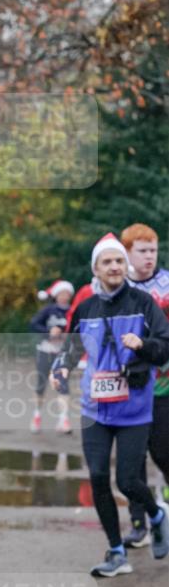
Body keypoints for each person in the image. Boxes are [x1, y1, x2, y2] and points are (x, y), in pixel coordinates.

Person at [50, 233, 169, 577]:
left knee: (129, 481)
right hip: (95, 408)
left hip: (134, 408)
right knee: (99, 476)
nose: (115, 266)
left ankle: (157, 515)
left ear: (126, 266)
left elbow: (164, 348)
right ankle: (116, 552)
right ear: (96, 269)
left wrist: (143, 345)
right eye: (108, 262)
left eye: (120, 261)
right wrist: (61, 370)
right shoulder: (86, 308)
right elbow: (71, 350)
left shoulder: (144, 303)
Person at [120, 223, 169, 548]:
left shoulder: (167, 286)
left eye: (153, 250)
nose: (149, 256)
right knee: (131, 460)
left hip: (163, 384)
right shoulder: (113, 286)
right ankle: (138, 524)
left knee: (163, 452)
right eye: (143, 250)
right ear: (127, 253)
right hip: (126, 386)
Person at [29, 280, 74, 434]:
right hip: (45, 351)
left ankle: (63, 419)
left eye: (67, 294)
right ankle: (36, 415)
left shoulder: (73, 311)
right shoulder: (48, 310)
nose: (64, 297)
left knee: (63, 385)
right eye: (61, 294)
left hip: (62, 354)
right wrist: (48, 333)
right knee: (41, 385)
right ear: (55, 295)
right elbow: (33, 324)